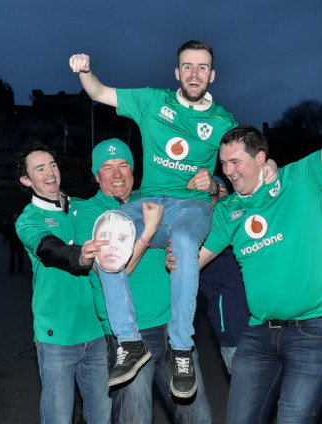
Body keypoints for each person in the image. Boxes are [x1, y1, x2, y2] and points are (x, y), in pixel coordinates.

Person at [168, 27, 322, 423]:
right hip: (259, 334)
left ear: (261, 159)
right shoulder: (229, 212)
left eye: (236, 163)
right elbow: (194, 259)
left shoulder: (301, 180)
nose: (228, 173)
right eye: (223, 165)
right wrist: (170, 250)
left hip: (314, 330)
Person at [69, 40, 240, 398]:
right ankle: (129, 342)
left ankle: (181, 348)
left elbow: (239, 176)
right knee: (107, 233)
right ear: (177, 73)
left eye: (203, 67)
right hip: (150, 204)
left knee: (186, 242)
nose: (195, 74)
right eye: (188, 67)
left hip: (191, 207)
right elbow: (99, 92)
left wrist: (216, 183)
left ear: (213, 74)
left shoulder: (223, 121)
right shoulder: (152, 101)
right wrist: (85, 71)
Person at [72, 138, 212, 423]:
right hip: (132, 338)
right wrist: (148, 233)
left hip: (173, 329)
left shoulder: (150, 199)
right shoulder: (90, 213)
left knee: (198, 418)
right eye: (107, 168)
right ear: (96, 175)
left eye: (124, 165)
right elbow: (107, 269)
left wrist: (176, 254)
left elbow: (202, 204)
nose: (117, 174)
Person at [15, 141, 112, 423]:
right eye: (40, 168)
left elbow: (124, 201)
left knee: (102, 417)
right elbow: (48, 248)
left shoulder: (84, 207)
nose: (50, 173)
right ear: (26, 179)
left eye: (53, 165)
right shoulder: (28, 219)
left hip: (96, 332)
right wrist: (79, 256)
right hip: (56, 336)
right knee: (58, 418)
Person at [198, 176, 249, 375]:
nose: (217, 194)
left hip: (266, 328)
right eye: (211, 192)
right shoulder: (201, 233)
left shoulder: (244, 225)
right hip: (234, 331)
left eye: (220, 190)